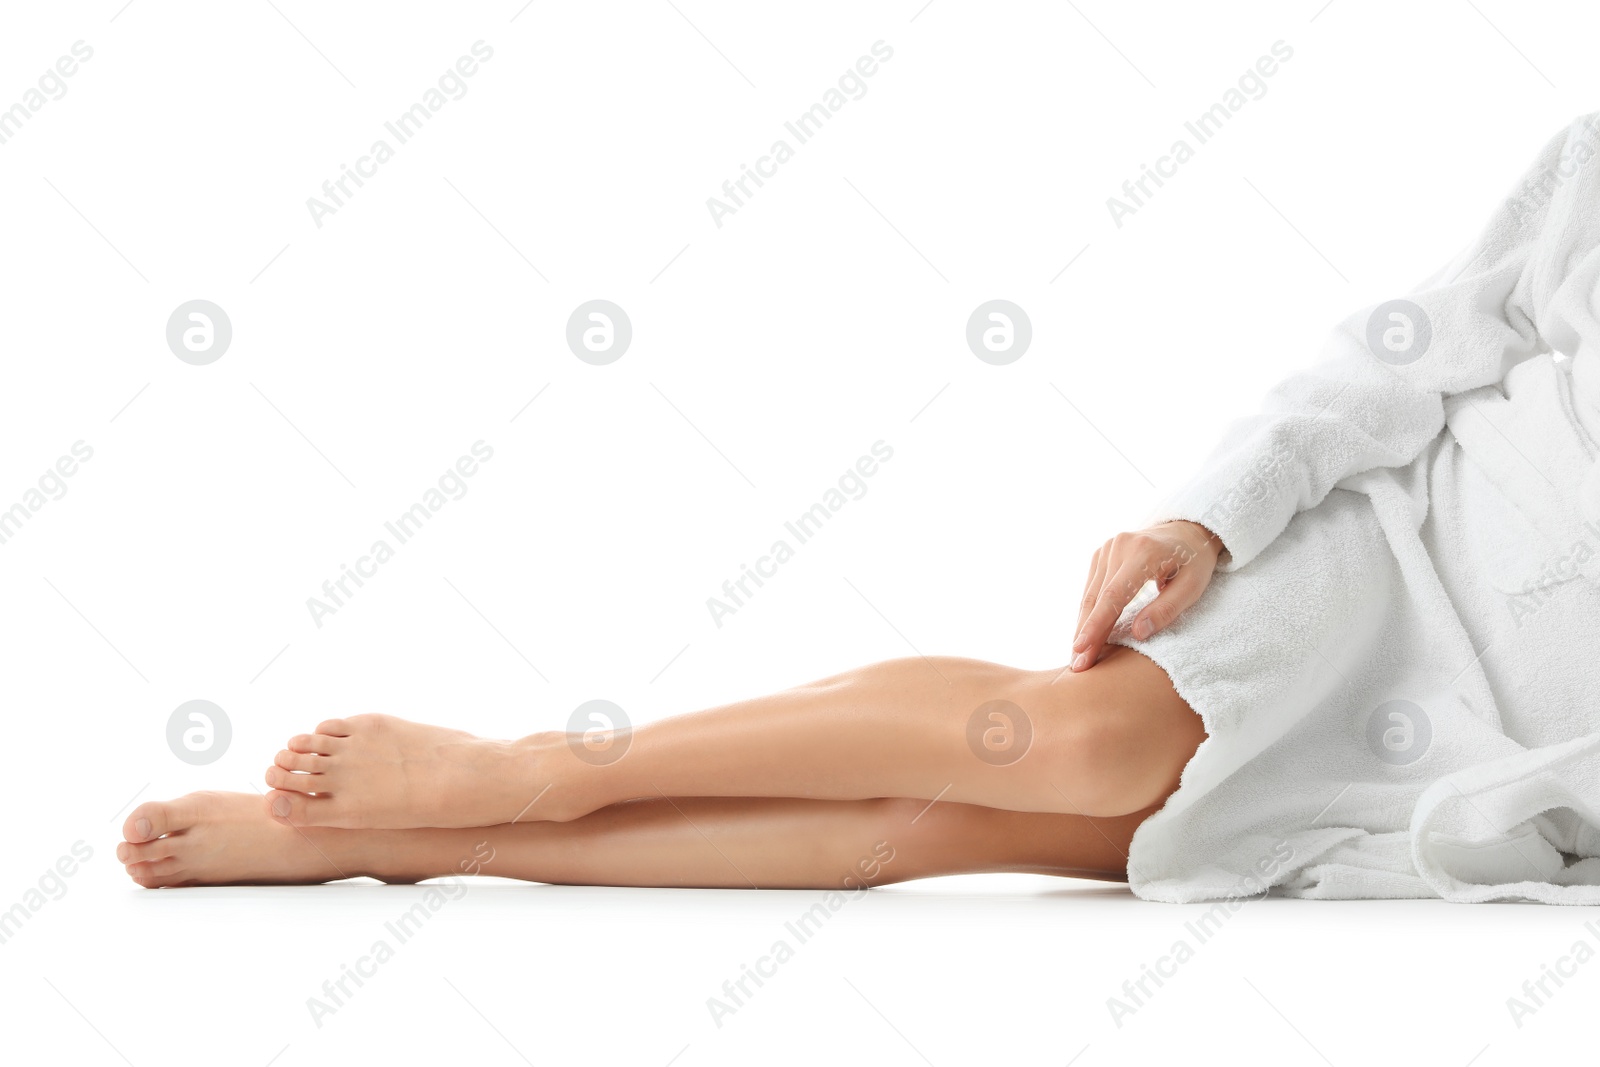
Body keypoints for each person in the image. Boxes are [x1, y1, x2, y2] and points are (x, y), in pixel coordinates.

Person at [119, 111, 1600, 903]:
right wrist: (1211, 516)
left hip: (1509, 759)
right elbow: (1413, 342)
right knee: (1075, 741)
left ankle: (418, 847)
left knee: (930, 837)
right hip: (1398, 572)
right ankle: (547, 765)